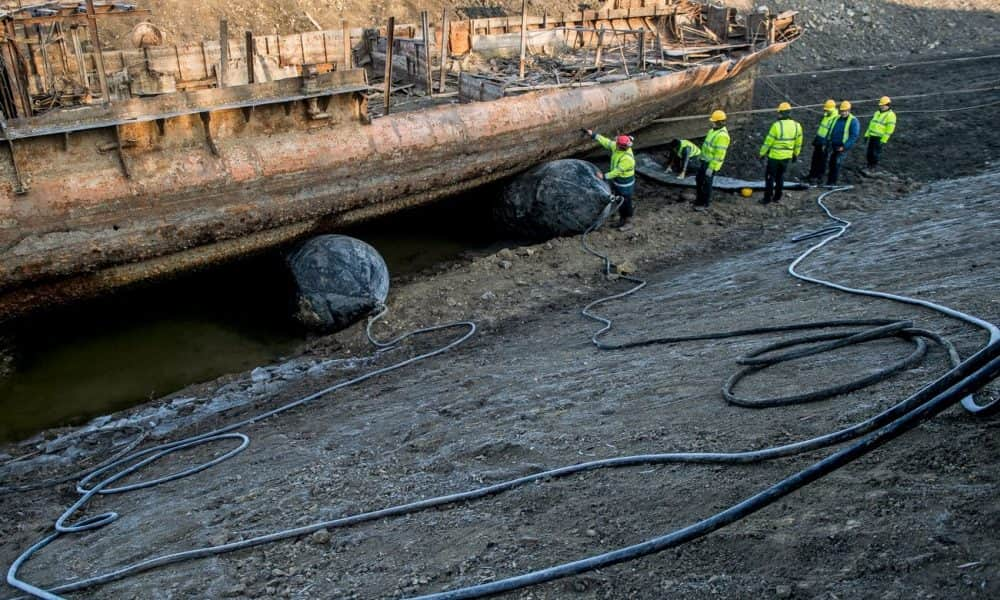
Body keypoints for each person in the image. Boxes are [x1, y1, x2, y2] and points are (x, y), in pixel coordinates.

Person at [585, 128, 636, 228]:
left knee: (626, 201)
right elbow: (606, 142)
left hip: (625, 184)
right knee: (620, 200)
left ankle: (628, 222)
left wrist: (604, 176)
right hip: (618, 182)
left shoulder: (627, 159)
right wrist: (594, 135)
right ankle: (622, 220)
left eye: (617, 143)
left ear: (621, 146)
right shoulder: (617, 147)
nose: (615, 143)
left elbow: (616, 172)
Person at [758, 102, 803, 204]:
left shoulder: (776, 126)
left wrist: (762, 153)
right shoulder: (797, 126)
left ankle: (767, 198)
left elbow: (768, 142)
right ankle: (777, 197)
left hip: (774, 157)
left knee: (770, 178)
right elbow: (798, 143)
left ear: (780, 113)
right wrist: (796, 154)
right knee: (780, 177)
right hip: (786, 157)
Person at [695, 110, 730, 210]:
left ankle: (704, 203)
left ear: (720, 122)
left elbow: (719, 155)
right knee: (699, 180)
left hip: (710, 164)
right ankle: (699, 200)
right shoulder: (712, 131)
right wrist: (701, 156)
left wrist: (711, 168)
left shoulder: (722, 136)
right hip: (704, 161)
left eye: (714, 122)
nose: (712, 123)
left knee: (706, 183)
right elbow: (706, 146)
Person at [826, 100, 860, 185]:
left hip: (842, 146)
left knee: (836, 163)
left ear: (849, 110)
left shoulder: (853, 121)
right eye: (842, 111)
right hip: (834, 144)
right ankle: (829, 181)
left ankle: (832, 182)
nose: (843, 113)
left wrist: (844, 146)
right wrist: (828, 141)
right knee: (831, 162)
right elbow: (831, 130)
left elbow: (853, 136)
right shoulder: (836, 118)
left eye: (845, 111)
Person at [806, 99, 838, 183]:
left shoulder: (835, 118)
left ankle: (819, 177)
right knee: (815, 158)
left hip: (825, 142)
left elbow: (832, 132)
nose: (826, 111)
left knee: (822, 160)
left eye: (828, 110)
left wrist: (827, 143)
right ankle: (812, 174)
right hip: (819, 140)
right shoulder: (827, 115)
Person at [864, 96, 897, 172]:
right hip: (872, 136)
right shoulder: (877, 113)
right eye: (880, 105)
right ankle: (869, 165)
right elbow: (871, 125)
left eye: (883, 105)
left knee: (875, 153)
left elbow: (889, 130)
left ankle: (873, 167)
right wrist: (866, 135)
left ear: (888, 105)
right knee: (869, 152)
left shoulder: (891, 115)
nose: (881, 106)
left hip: (879, 138)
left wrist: (883, 140)